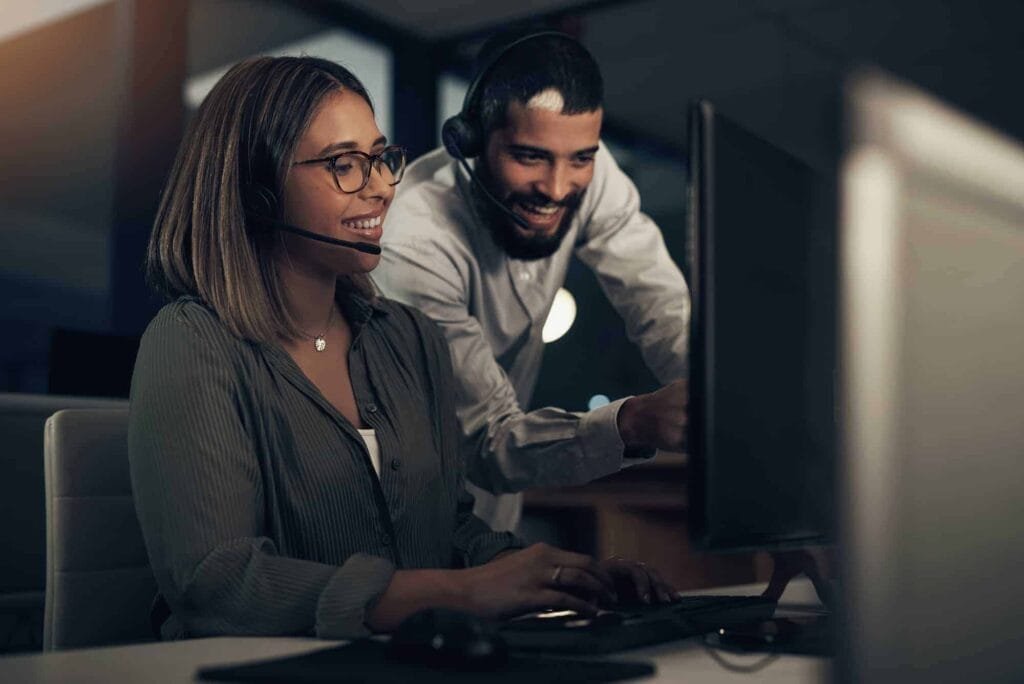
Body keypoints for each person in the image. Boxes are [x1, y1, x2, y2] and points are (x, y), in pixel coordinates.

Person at [129, 55, 675, 641]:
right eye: (345, 165)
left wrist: (560, 575)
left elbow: (450, 530)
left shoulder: (408, 338)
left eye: (382, 159)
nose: (386, 188)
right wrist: (459, 593)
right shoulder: (194, 342)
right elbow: (217, 584)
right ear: (256, 190)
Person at [374, 30, 690, 533]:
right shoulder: (412, 242)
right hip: (405, 523)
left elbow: (662, 307)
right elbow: (486, 440)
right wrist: (631, 421)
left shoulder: (587, 167)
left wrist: (716, 406)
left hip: (498, 519)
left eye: (581, 159)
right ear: (471, 141)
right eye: (529, 157)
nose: (559, 188)